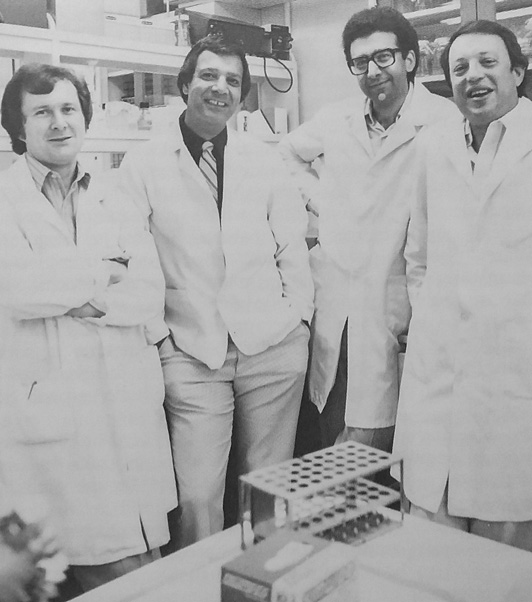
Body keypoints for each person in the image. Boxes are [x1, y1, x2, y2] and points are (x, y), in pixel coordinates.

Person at [116, 35, 314, 548]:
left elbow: (291, 244)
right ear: (185, 85)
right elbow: (134, 259)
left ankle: (264, 576)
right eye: (208, 75)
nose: (219, 87)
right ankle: (200, 583)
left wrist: (300, 320)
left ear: (241, 96)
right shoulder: (143, 165)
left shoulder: (263, 160)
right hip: (191, 350)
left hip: (272, 345)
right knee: (199, 495)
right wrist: (160, 338)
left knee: (269, 486)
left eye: (232, 80)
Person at [0, 63, 177, 593]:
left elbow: (148, 293)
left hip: (123, 393)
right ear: (19, 126)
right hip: (49, 403)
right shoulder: (5, 199)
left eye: (68, 108)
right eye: (42, 112)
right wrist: (103, 271)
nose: (59, 122)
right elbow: (20, 290)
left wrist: (77, 298)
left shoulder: (114, 194)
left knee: (140, 557)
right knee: (83, 565)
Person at [278, 7, 457, 453]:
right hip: (336, 299)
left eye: (383, 57)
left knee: (394, 442)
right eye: (360, 62)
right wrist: (320, 200)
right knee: (333, 427)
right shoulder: (336, 118)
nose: (372, 71)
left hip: (399, 298)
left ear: (409, 59)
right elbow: (288, 154)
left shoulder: (444, 122)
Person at [392, 20, 532, 551]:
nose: (473, 76)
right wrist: (433, 319)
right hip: (440, 370)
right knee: (434, 536)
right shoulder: (434, 144)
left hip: (515, 372)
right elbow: (419, 253)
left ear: (517, 71)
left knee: (506, 547)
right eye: (460, 68)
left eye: (488, 63)